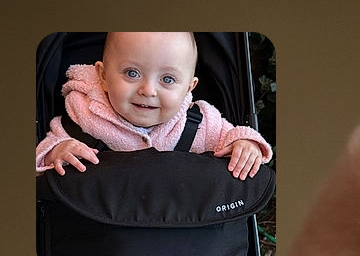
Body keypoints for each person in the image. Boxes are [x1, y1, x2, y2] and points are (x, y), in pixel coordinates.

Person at [36, 31, 271, 178]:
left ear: (189, 87)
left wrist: (246, 145)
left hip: (176, 230)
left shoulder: (200, 124)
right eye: (132, 73)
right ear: (104, 76)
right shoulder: (83, 113)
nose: (148, 90)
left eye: (167, 79)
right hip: (104, 235)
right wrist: (56, 152)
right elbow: (44, 151)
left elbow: (233, 137)